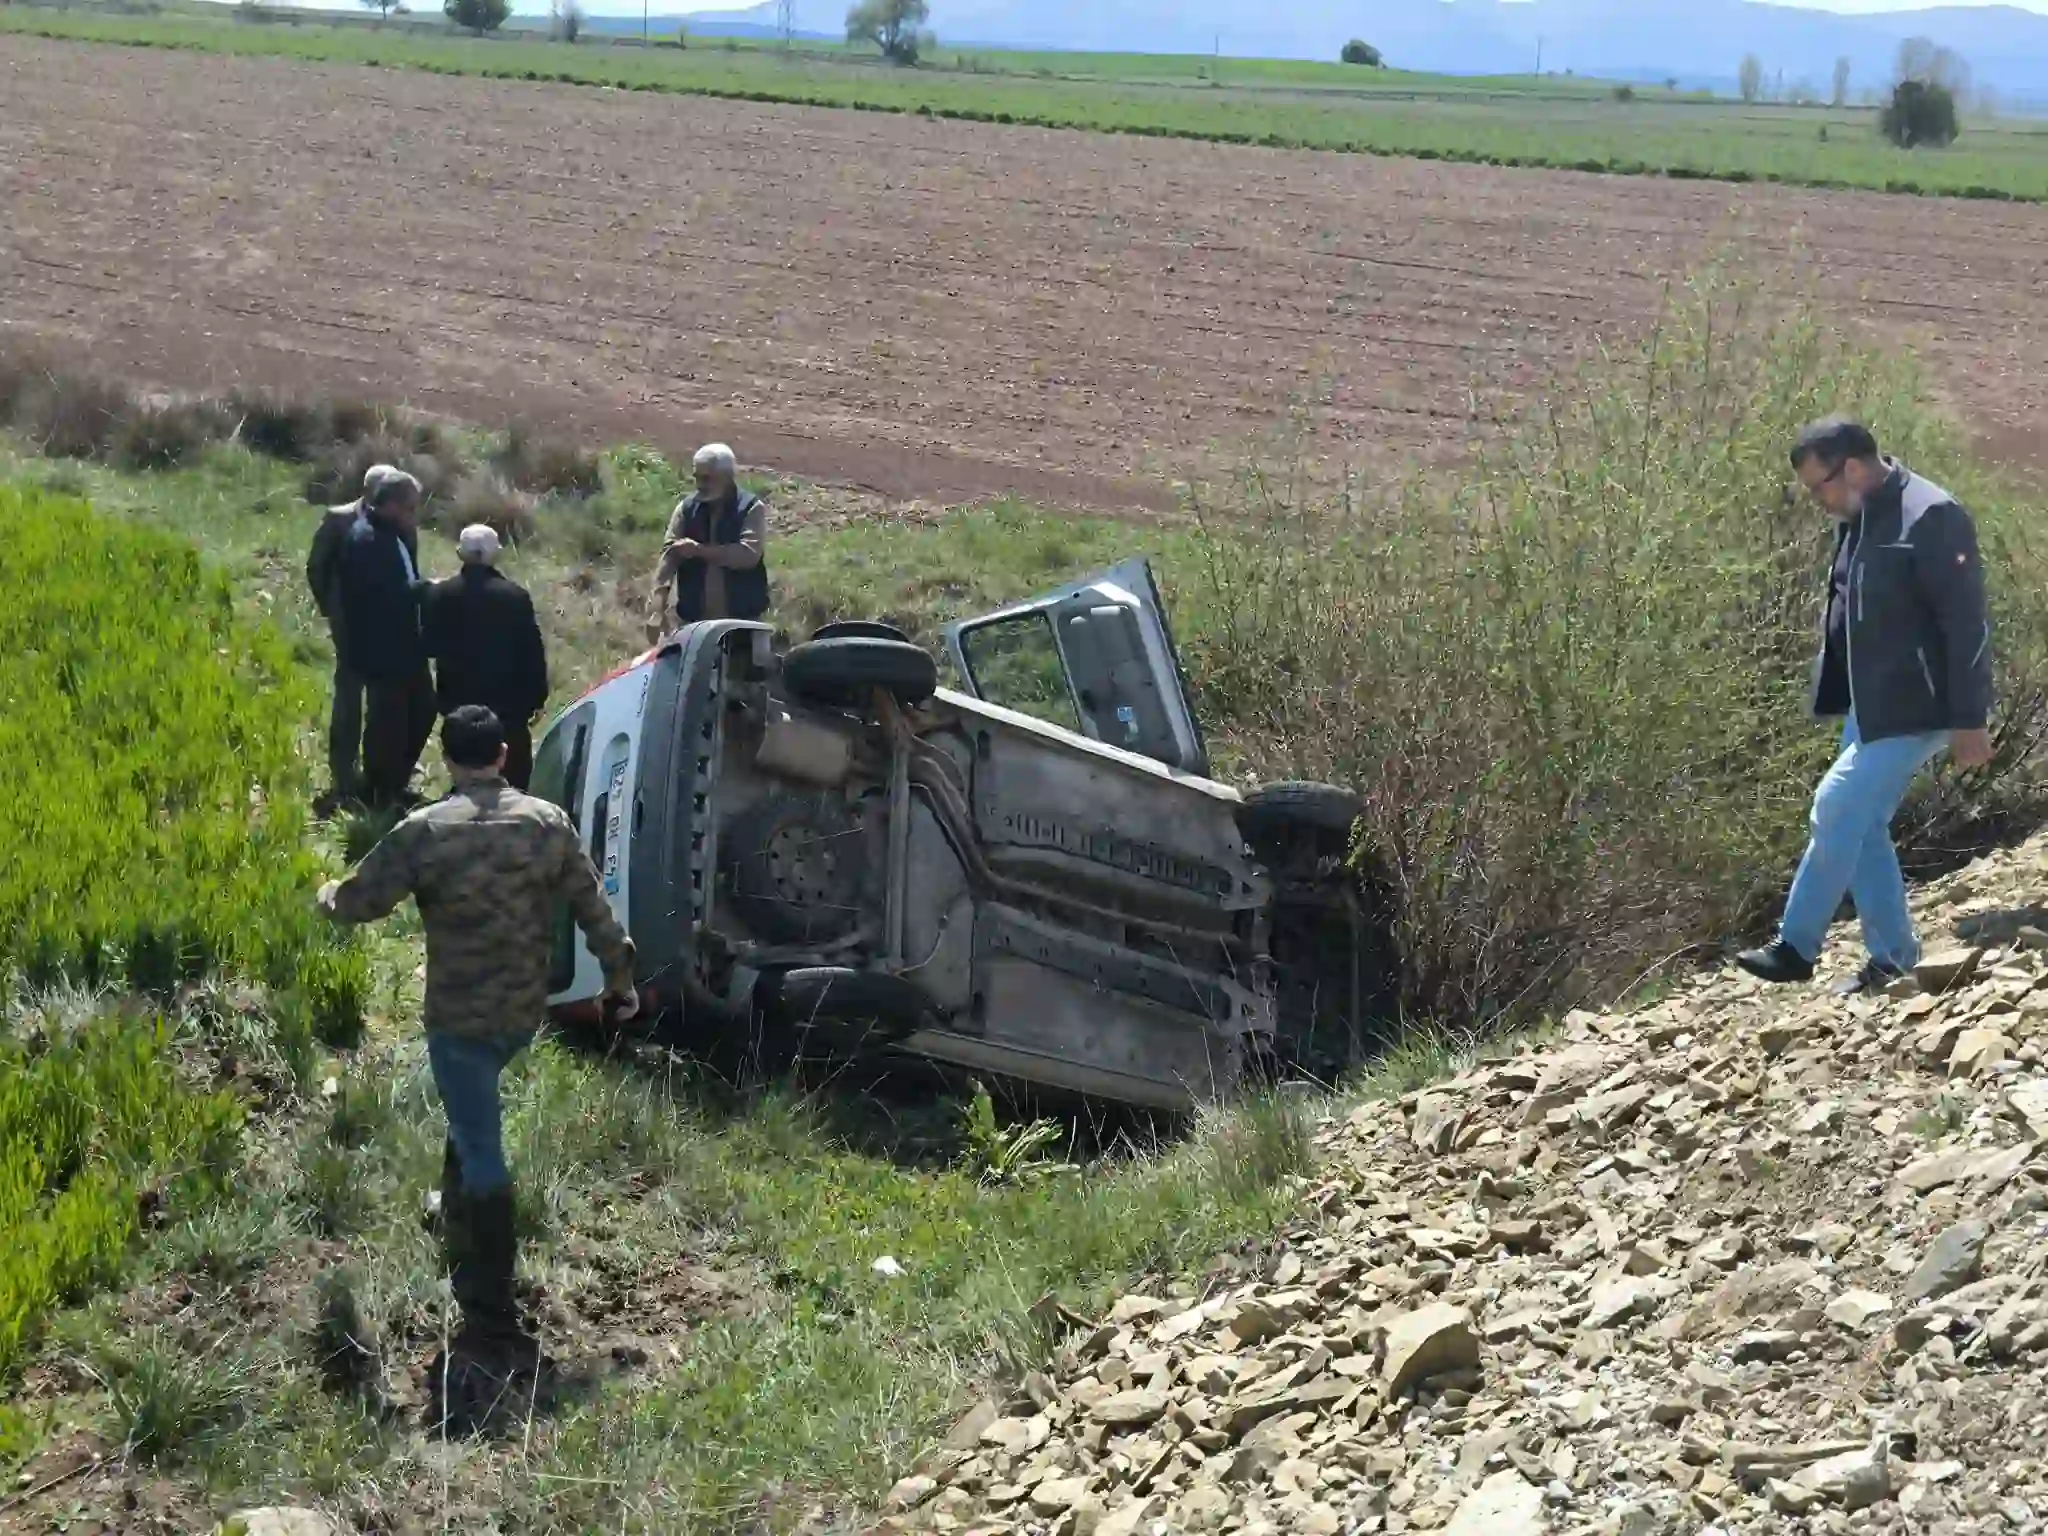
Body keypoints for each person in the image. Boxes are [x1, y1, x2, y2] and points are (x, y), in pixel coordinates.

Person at [316, 706, 638, 1413]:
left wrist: (326, 896)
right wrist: (620, 979)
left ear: (446, 757)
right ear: (501, 752)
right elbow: (595, 909)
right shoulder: (547, 823)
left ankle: (491, 1316)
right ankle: (456, 1215)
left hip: (459, 1022)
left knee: (484, 1148)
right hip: (521, 1015)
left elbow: (358, 903)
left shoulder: (426, 831)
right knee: (472, 1119)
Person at [1737, 417, 1995, 997]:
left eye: (1817, 486)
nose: (1817, 499)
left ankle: (1797, 947)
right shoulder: (1860, 516)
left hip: (1923, 706)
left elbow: (1967, 625)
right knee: (1863, 822)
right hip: (1872, 701)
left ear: (1850, 468)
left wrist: (1970, 718)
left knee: (1834, 806)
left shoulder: (1931, 516)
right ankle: (1893, 959)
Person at [307, 465, 420, 813]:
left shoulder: (402, 525)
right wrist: (333, 612)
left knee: (384, 706)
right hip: (351, 631)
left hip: (388, 635)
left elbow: (408, 568)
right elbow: (317, 569)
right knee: (348, 704)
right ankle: (343, 778)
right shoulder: (339, 521)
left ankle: (377, 777)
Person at [421, 524, 550, 791]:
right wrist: (537, 699)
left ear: (460, 554)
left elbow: (429, 645)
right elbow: (531, 652)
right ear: (495, 555)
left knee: (465, 767)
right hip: (509, 706)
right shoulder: (514, 597)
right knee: (514, 777)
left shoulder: (439, 594)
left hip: (459, 702)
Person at [336, 466, 435, 810]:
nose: (414, 514)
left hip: (407, 647)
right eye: (409, 507)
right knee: (387, 723)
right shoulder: (367, 541)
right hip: (385, 650)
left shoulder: (391, 535)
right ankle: (381, 793)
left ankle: (395, 782)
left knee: (421, 711)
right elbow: (384, 598)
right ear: (390, 505)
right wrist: (426, 590)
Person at [646, 442, 769, 642]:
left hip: (743, 623)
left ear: (728, 477)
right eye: (697, 477)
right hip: (694, 625)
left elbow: (748, 555)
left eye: (707, 479)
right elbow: (669, 556)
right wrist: (656, 607)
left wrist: (700, 551)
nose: (700, 485)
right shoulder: (686, 509)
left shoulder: (751, 508)